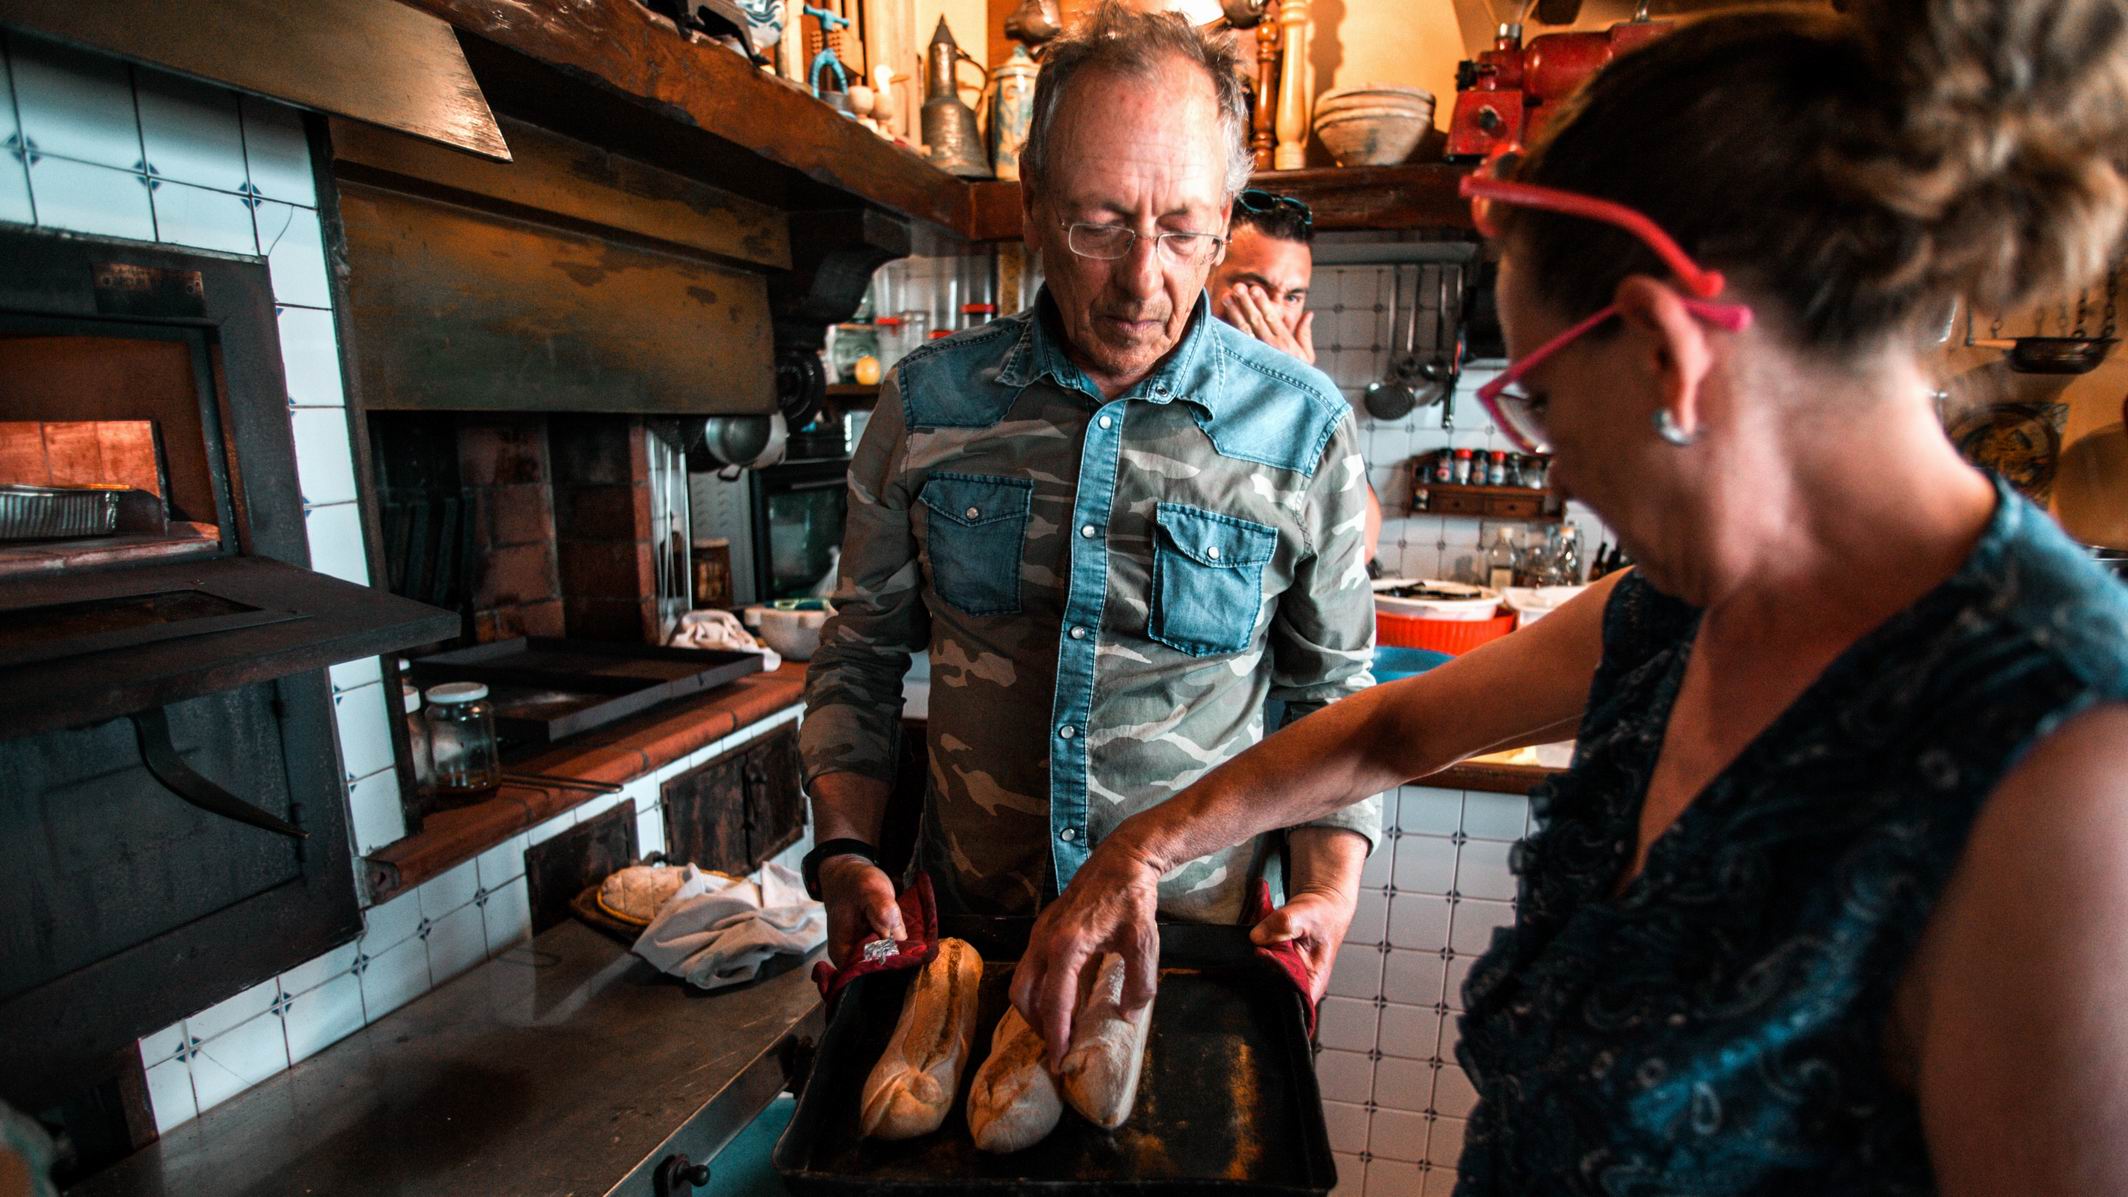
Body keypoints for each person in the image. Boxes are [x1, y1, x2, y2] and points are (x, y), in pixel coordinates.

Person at [1013, 1, 2128, 1192]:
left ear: (1667, 351)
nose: (1547, 462)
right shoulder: (1683, 612)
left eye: (1533, 401)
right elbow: (1393, 726)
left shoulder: (2061, 772)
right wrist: (1139, 851)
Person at [798, 1, 1378, 999]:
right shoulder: (928, 406)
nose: (1141, 282)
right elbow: (858, 655)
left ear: (1225, 220)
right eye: (1099, 226)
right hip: (968, 949)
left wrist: (1325, 898)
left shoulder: (1301, 428)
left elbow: (1332, 700)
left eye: (1184, 230)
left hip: (1196, 956)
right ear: (1030, 206)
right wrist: (844, 852)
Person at [1207, 189, 1384, 565]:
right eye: (1254, 288)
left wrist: (1304, 396)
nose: (1271, 313)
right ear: (1205, 276)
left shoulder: (1306, 401)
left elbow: (1359, 546)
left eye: (1292, 297)